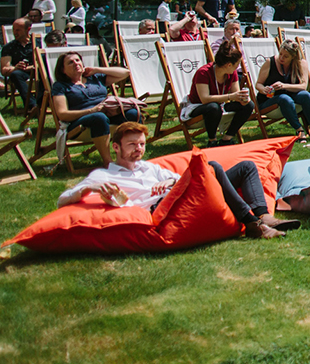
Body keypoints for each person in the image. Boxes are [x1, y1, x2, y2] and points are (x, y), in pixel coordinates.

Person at [57, 122, 295, 238]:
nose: (138, 149)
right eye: (132, 145)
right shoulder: (104, 176)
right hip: (164, 208)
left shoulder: (149, 167)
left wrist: (172, 184)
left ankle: (263, 216)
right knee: (212, 166)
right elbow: (62, 201)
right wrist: (88, 188)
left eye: (141, 144)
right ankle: (254, 224)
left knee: (245, 166)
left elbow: (183, 180)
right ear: (116, 147)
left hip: (182, 196)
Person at [50, 51, 138, 164]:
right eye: (70, 62)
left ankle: (130, 156)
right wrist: (91, 110)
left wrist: (97, 69)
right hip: (80, 120)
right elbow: (62, 114)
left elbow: (125, 73)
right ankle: (108, 161)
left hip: (107, 113)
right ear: (63, 70)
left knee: (132, 114)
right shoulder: (60, 86)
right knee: (99, 117)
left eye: (78, 60)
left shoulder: (95, 78)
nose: (76, 63)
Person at [184, 41, 255, 146]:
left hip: (220, 104)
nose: (238, 67)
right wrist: (231, 96)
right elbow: (204, 99)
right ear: (229, 65)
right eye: (237, 64)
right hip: (198, 106)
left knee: (249, 105)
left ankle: (227, 138)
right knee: (213, 107)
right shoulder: (203, 73)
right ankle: (212, 140)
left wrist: (243, 99)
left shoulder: (232, 73)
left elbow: (235, 94)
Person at [255, 39, 310, 139]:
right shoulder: (270, 62)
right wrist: (263, 89)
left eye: (286, 56)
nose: (281, 58)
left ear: (293, 57)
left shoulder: (301, 64)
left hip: (291, 96)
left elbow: (303, 86)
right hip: (269, 100)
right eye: (280, 53)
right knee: (284, 98)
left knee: (306, 95)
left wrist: (284, 86)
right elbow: (258, 84)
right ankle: (299, 130)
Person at [0, 17, 36, 111]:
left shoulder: (38, 43)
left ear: (28, 29)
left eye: (18, 30)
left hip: (37, 70)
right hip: (22, 73)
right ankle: (32, 106)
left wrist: (33, 67)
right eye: (13, 30)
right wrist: (16, 68)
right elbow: (4, 70)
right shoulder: (9, 47)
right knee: (15, 74)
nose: (15, 32)